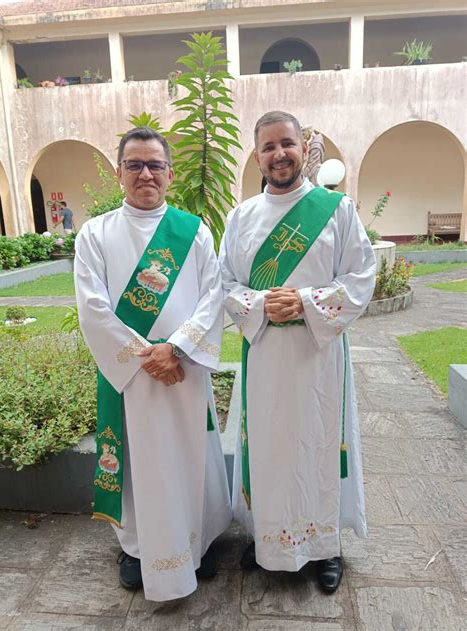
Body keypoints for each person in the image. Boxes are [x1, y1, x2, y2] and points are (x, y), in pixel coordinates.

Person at [219, 111, 376, 594]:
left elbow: (360, 276)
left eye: (286, 143)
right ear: (257, 154)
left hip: (316, 358)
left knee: (319, 447)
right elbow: (223, 284)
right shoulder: (240, 217)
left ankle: (325, 547)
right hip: (264, 356)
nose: (278, 154)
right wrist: (263, 303)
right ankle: (267, 539)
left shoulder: (336, 209)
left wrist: (306, 302)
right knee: (267, 450)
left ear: (301, 147)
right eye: (268, 146)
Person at [74, 127, 231, 602]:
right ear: (118, 171)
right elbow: (93, 307)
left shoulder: (194, 231)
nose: (146, 174)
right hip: (132, 378)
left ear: (170, 172)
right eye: (135, 164)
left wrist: (177, 347)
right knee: (139, 462)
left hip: (183, 372)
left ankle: (194, 544)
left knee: (187, 456)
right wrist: (149, 357)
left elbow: (213, 296)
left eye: (155, 165)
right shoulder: (95, 234)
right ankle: (138, 548)